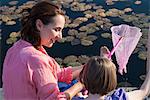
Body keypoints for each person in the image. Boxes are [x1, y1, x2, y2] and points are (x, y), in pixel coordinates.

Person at [2, 1, 84, 100]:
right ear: (39, 25)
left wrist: (86, 68)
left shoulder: (15, 49)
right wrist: (81, 84)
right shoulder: (36, 59)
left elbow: (57, 73)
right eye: (57, 30)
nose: (60, 37)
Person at [79, 46, 150, 100]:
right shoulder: (119, 98)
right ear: (112, 82)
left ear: (84, 79)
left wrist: (103, 63)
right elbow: (144, 91)